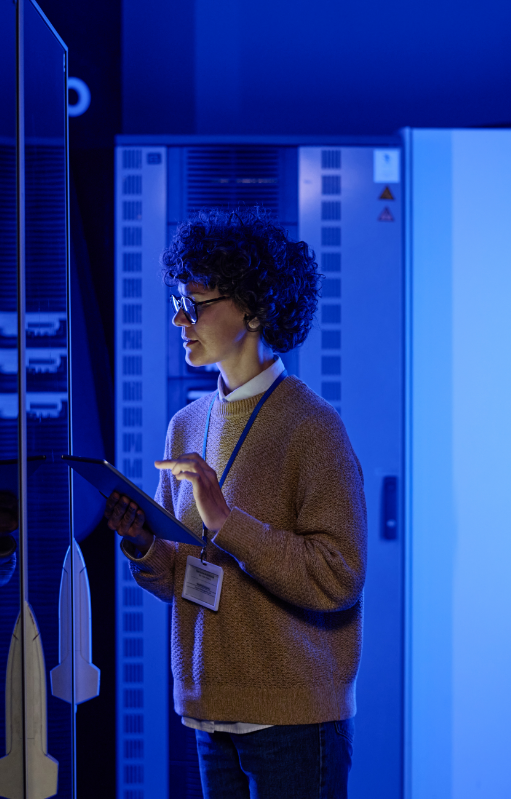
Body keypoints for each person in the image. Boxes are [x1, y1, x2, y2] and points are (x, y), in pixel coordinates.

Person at [106, 208, 367, 799]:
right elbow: (182, 575)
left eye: (195, 304)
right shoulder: (186, 425)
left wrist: (226, 520)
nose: (180, 318)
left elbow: (339, 576)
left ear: (253, 308)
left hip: (294, 720)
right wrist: (145, 545)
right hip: (208, 708)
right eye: (178, 301)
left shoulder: (314, 428)